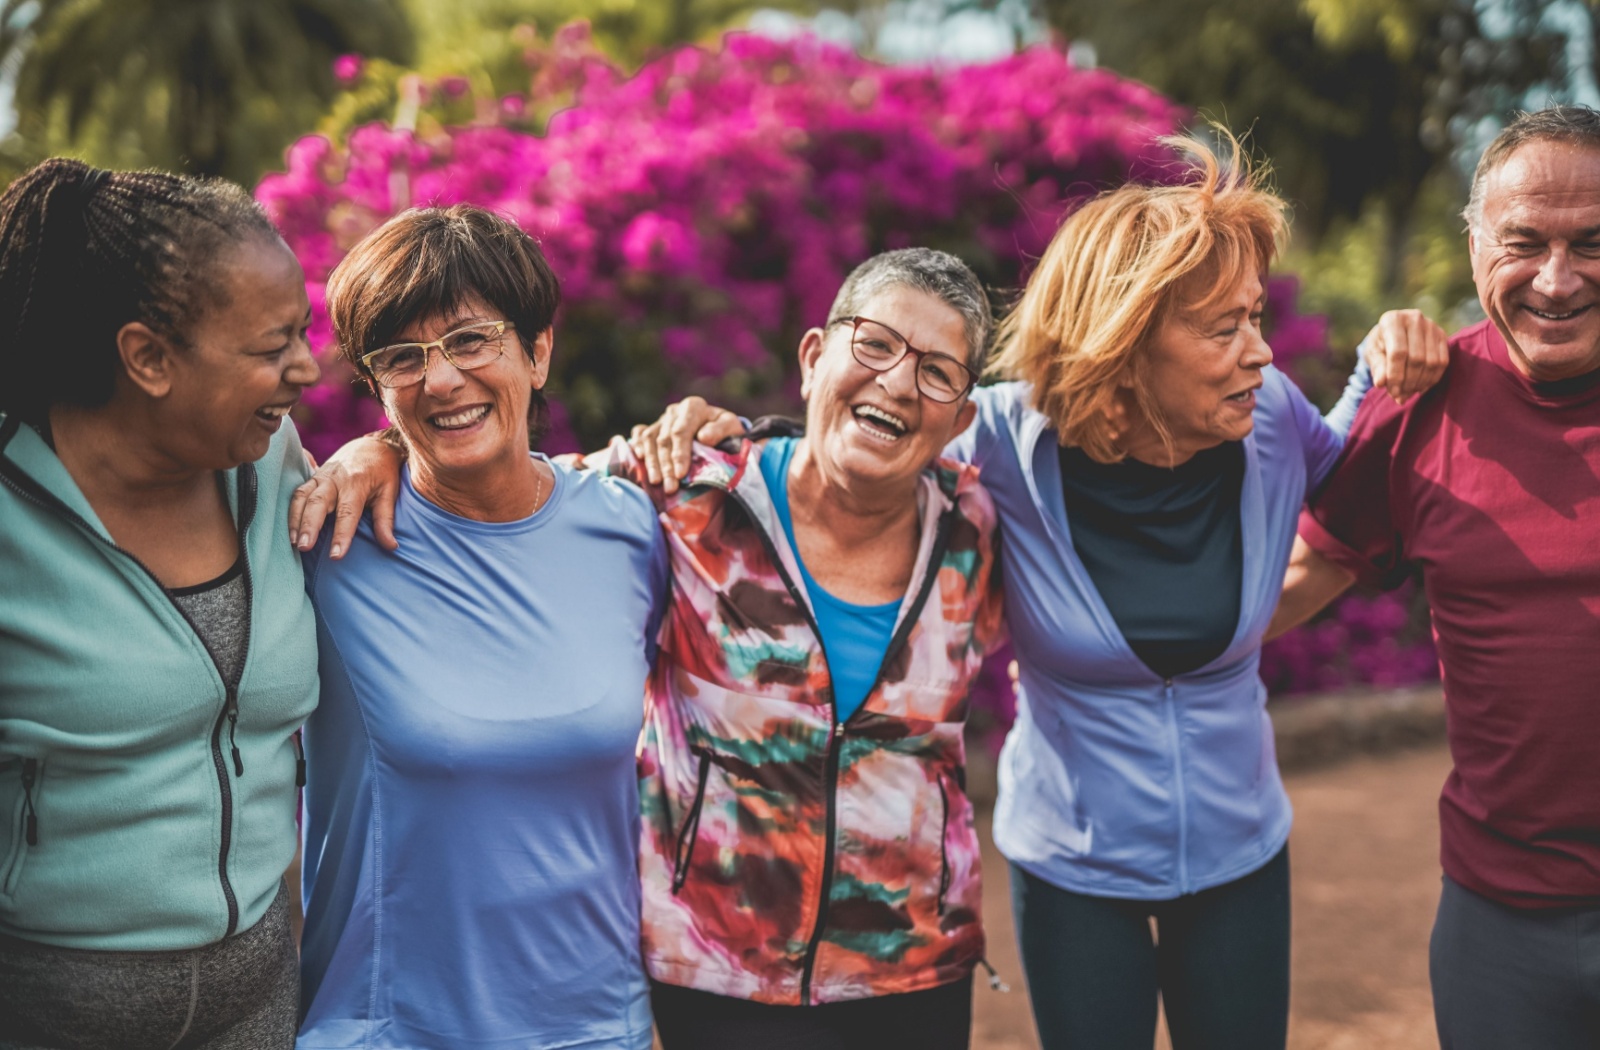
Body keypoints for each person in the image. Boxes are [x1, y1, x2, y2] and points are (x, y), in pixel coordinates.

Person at [629, 135, 1449, 1050]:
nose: (1259, 352)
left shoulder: (1270, 423)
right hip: (1071, 861)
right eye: (1225, 328)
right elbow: (867, 437)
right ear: (1130, 338)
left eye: (1255, 318)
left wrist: (1388, 364)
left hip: (1240, 851)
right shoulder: (1005, 444)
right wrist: (715, 439)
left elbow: (1353, 471)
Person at [291, 247, 1006, 1049]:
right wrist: (377, 447)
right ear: (813, 356)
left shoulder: (983, 523)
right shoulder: (687, 498)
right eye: (873, 344)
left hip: (912, 963)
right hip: (718, 966)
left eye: (937, 370)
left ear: (962, 416)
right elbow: (505, 488)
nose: (899, 382)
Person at [294, 205, 667, 1050]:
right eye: (402, 358)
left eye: (471, 341)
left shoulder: (630, 530)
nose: (440, 381)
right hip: (390, 1027)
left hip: (598, 1024)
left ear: (537, 352)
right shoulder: (330, 541)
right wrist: (364, 452)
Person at [1272, 104, 1600, 1050]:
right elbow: (1286, 586)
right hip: (1502, 925)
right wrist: (1066, 626)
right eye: (1524, 242)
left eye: (1592, 243)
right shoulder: (1421, 404)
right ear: (1473, 248)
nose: (1557, 278)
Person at [0, 159, 320, 1048]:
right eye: (271, 347)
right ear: (146, 356)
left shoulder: (271, 460)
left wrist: (384, 457)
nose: (308, 366)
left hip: (257, 995)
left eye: (301, 332)